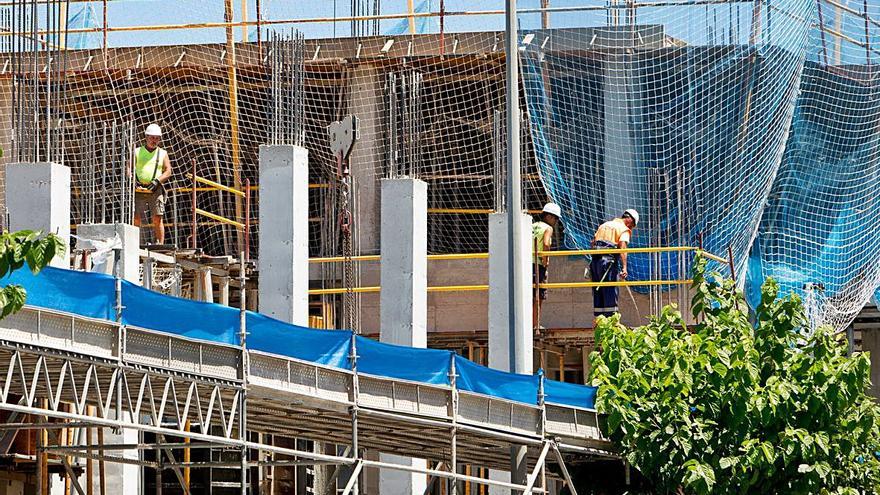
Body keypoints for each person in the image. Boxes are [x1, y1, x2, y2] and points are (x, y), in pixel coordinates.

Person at [587, 209, 639, 319]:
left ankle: (599, 324)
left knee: (598, 294)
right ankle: (611, 326)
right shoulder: (624, 229)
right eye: (632, 226)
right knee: (610, 293)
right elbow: (622, 246)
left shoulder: (604, 225)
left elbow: (592, 243)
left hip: (595, 263)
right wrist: (624, 268)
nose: (631, 229)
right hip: (608, 263)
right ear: (630, 220)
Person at [132, 124, 172, 244]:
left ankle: (160, 243)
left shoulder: (162, 153)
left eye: (157, 138)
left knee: (157, 217)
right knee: (136, 218)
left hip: (155, 189)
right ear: (146, 137)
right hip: (139, 189)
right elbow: (129, 168)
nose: (154, 140)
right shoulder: (137, 152)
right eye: (152, 137)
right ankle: (133, 243)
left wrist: (157, 181)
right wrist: (133, 180)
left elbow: (168, 170)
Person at [532, 202, 562, 331]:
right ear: (549, 216)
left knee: (528, 295)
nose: (555, 222)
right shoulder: (547, 228)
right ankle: (534, 324)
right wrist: (545, 260)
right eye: (555, 218)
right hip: (538, 264)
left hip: (526, 264)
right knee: (538, 296)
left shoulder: (532, 226)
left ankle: (527, 323)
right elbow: (546, 243)